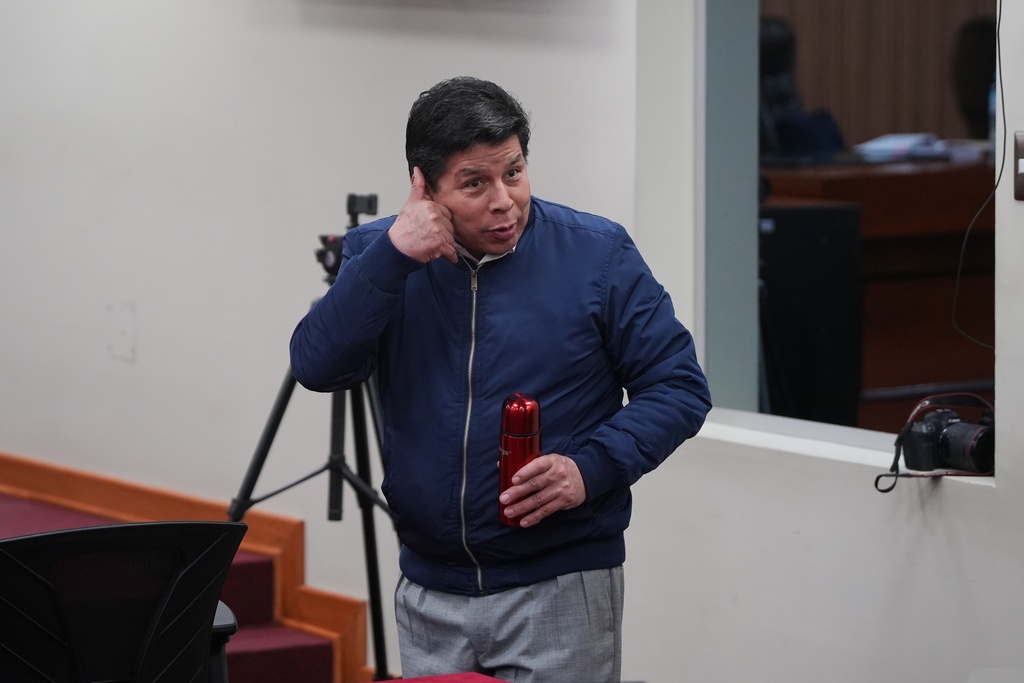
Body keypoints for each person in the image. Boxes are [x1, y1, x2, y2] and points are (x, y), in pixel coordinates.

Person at [289, 76, 712, 683]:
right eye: (474, 183)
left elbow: (679, 387)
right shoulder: (380, 255)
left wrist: (588, 469)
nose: (503, 200)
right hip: (430, 591)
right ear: (425, 187)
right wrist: (392, 257)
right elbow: (316, 365)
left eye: (513, 172)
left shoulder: (597, 254)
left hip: (560, 583)